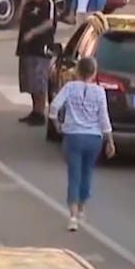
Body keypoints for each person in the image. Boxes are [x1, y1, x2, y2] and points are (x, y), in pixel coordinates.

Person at [49, 57, 115, 231]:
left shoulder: (70, 88)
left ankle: (72, 217)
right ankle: (82, 209)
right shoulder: (99, 92)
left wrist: (57, 124)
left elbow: (54, 106)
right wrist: (110, 140)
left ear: (77, 71)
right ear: (93, 73)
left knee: (74, 175)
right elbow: (104, 118)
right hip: (94, 139)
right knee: (87, 173)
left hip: (73, 137)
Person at [16, 0, 57, 125]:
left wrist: (33, 32)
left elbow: (49, 23)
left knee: (40, 81)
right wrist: (22, 3)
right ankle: (34, 111)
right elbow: (19, 20)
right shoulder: (29, 3)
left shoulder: (48, 4)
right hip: (26, 48)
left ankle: (40, 113)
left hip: (42, 48)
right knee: (30, 81)